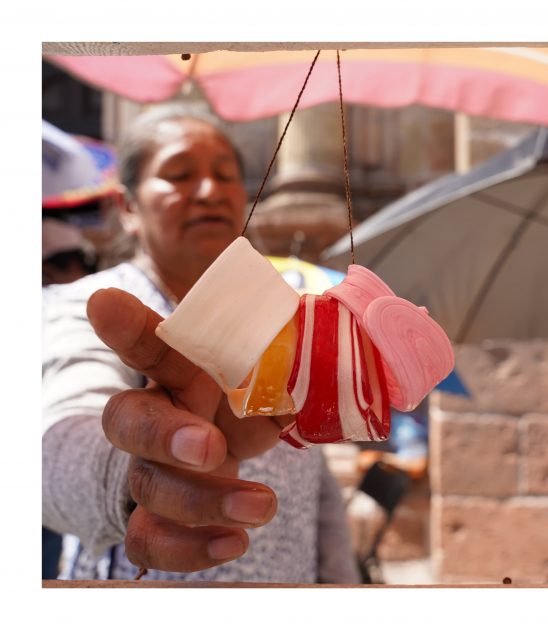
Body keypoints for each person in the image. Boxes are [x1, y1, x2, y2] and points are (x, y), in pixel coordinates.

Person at [42, 104, 360, 582]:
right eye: (179, 174)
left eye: (225, 175)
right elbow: (54, 442)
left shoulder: (284, 314)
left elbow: (318, 487)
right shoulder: (88, 305)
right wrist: (128, 476)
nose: (209, 191)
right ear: (128, 206)